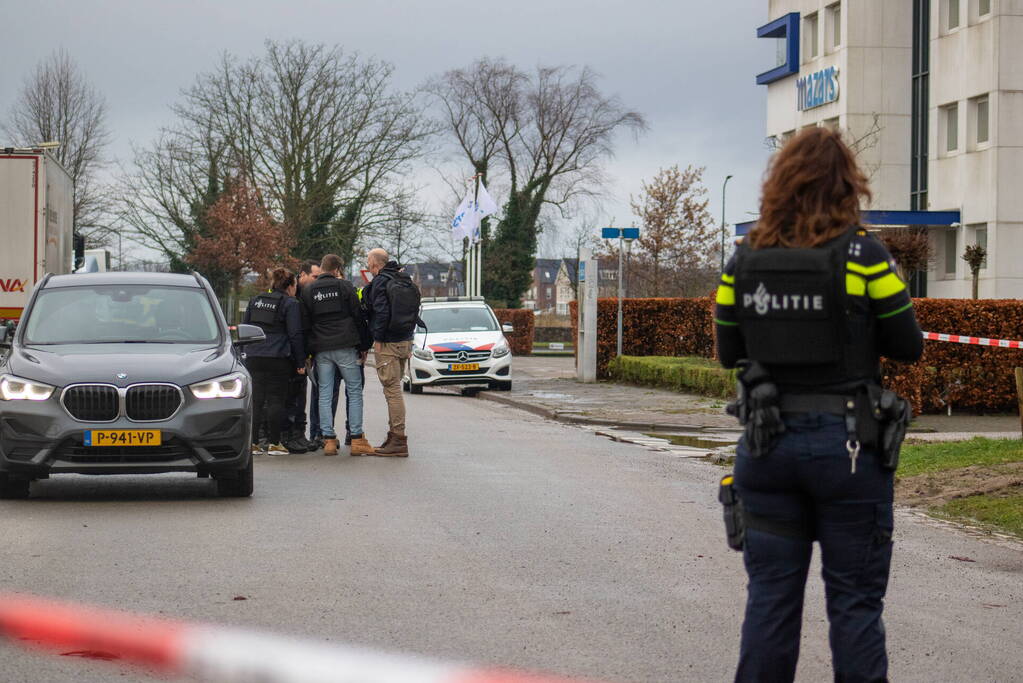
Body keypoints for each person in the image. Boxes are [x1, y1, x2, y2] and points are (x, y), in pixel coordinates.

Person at [715, 126, 923, 683]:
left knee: (770, 604)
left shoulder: (743, 259)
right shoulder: (864, 255)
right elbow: (909, 346)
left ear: (779, 183)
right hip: (850, 449)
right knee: (855, 605)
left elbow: (727, 350)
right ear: (846, 187)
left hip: (768, 445)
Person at [300, 254, 373, 456]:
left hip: (321, 348)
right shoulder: (346, 287)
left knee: (324, 392)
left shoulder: (308, 291)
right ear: (338, 270)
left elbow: (304, 324)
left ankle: (329, 440)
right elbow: (358, 317)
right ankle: (357, 438)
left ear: (322, 268)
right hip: (345, 345)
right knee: (354, 390)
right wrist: (364, 345)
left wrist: (307, 352)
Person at [361, 248, 419, 457]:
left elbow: (381, 312)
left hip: (388, 342)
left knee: (392, 389)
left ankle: (398, 439)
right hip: (405, 339)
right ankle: (394, 437)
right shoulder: (403, 278)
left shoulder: (380, 282)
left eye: (369, 262)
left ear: (375, 264)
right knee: (395, 388)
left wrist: (377, 338)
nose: (368, 266)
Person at [243, 268, 306, 456]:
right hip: (277, 358)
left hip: (253, 356)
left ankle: (253, 444)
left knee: (255, 401)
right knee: (276, 401)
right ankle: (274, 443)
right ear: (290, 286)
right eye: (295, 285)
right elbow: (295, 334)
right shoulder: (290, 303)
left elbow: (245, 328)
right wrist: (300, 361)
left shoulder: (256, 301)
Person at [281, 260, 324, 453]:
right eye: (314, 276)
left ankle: (300, 434)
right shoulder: (290, 297)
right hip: (288, 354)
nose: (317, 281)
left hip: (304, 353)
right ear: (302, 275)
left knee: (300, 395)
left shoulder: (310, 296)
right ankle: (287, 435)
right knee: (289, 396)